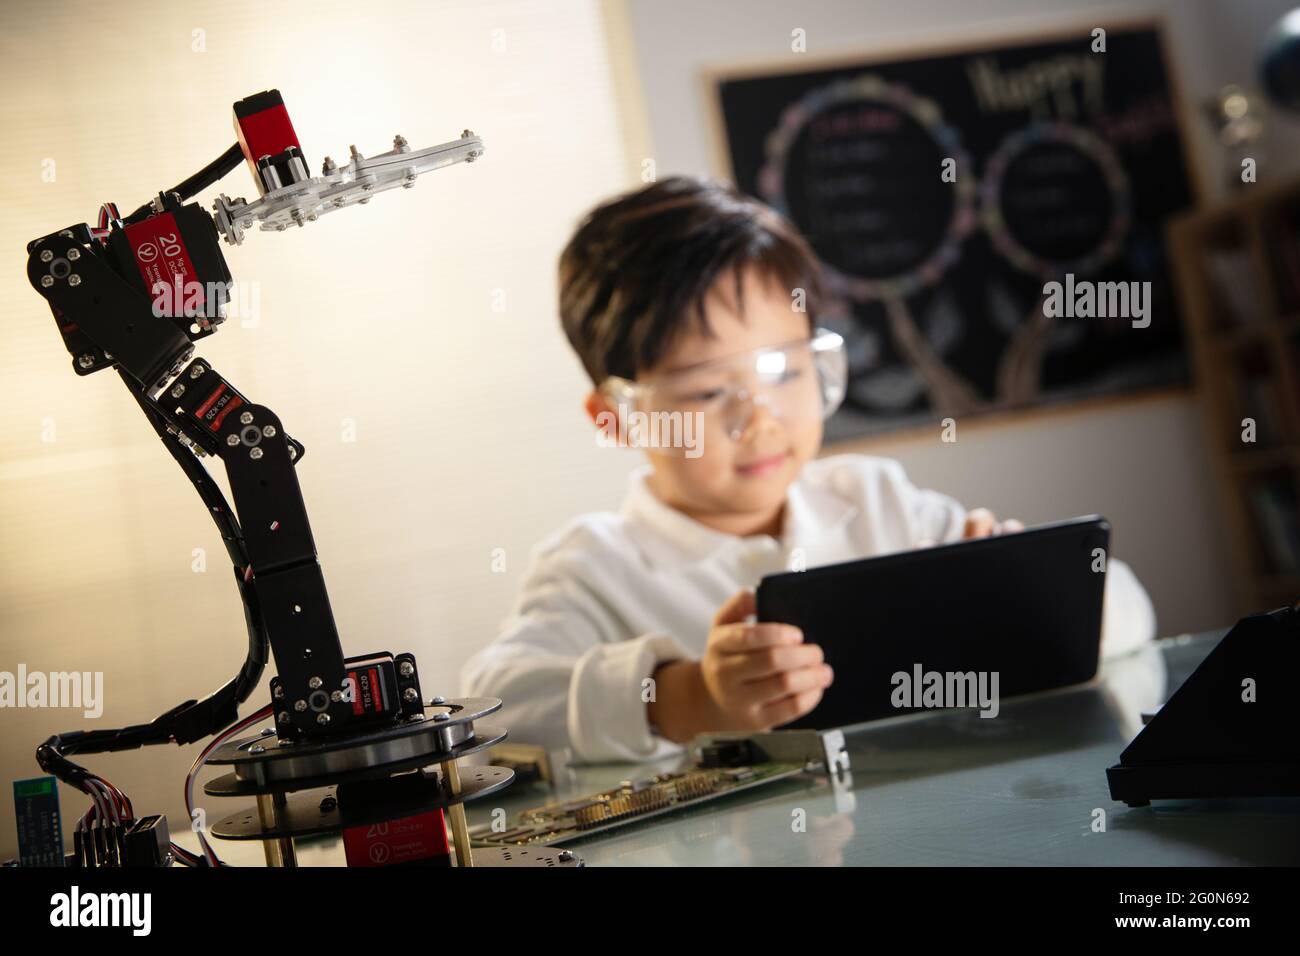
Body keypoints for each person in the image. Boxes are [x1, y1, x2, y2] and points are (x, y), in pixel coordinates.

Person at [461, 175, 1156, 763]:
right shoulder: (594, 566)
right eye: (708, 391)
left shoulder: (876, 501)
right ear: (616, 417)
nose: (761, 420)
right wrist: (686, 697)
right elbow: (492, 709)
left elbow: (1128, 609)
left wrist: (1030, 601)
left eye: (788, 372)